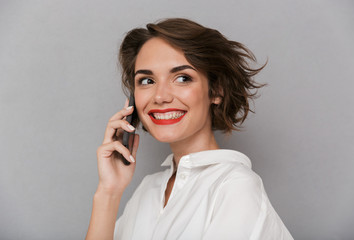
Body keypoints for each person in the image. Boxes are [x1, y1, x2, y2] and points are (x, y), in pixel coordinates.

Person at [86, 18, 293, 240]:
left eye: (182, 78)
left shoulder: (235, 187)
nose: (160, 96)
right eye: (146, 81)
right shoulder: (147, 190)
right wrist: (109, 192)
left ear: (216, 91)